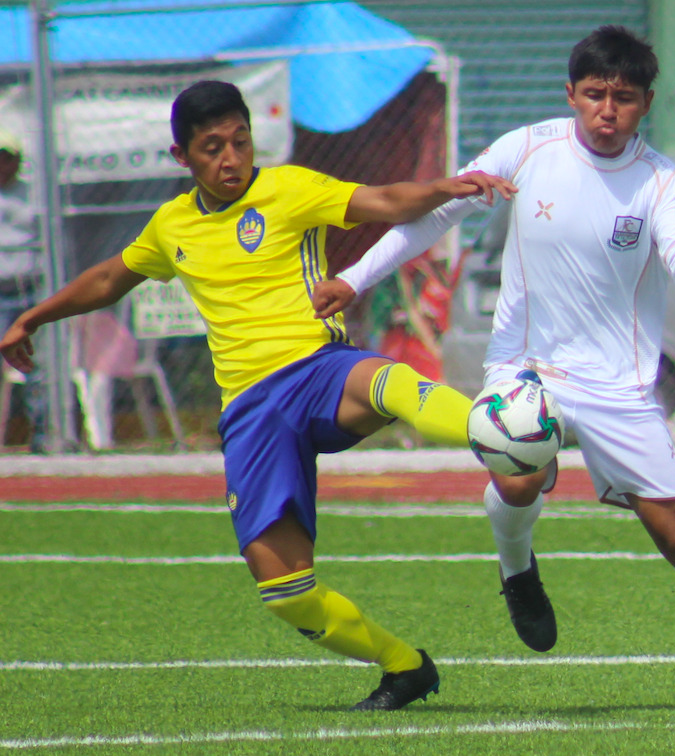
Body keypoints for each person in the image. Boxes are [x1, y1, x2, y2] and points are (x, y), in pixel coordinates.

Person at [312, 25, 675, 712]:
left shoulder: (661, 179)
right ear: (570, 93)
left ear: (647, 103)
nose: (608, 110)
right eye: (596, 94)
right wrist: (356, 277)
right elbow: (435, 215)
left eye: (625, 98)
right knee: (518, 484)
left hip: (620, 382)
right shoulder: (526, 148)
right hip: (526, 366)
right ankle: (517, 570)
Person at [0, 80, 516, 711]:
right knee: (287, 590)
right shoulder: (173, 225)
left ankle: (502, 439)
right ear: (181, 157)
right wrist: (34, 318)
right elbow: (110, 277)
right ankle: (405, 667)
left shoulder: (289, 188)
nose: (230, 158)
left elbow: (381, 200)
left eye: (239, 142)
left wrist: (444, 187)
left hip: (315, 369)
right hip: (250, 411)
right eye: (212, 147)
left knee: (390, 383)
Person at [0, 127, 47, 453]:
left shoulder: (34, 195)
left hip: (29, 292)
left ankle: (44, 436)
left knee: (37, 366)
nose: (2, 165)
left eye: (6, 158)